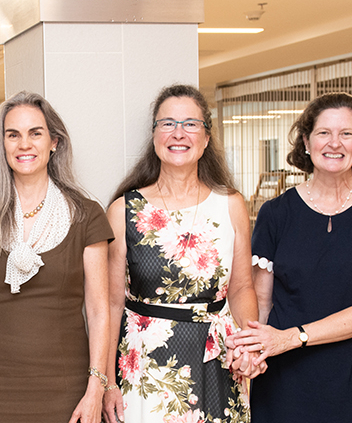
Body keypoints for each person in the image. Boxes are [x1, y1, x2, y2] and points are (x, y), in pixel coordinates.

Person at [226, 92, 352, 423]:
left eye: (347, 134)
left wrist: (291, 337)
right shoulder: (275, 213)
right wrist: (253, 351)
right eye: (324, 133)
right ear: (306, 141)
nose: (335, 143)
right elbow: (262, 304)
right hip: (284, 377)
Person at [0, 92, 113, 423]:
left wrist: (96, 389)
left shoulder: (86, 215)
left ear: (53, 142)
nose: (24, 144)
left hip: (67, 391)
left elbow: (98, 311)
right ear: (1, 145)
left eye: (35, 133)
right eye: (13, 135)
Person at [101, 84, 259, 423]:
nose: (178, 133)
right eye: (167, 123)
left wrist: (248, 347)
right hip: (144, 367)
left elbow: (243, 287)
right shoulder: (123, 210)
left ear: (205, 138)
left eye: (191, 124)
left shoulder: (231, 205)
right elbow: (112, 303)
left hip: (216, 359)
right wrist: (107, 381)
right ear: (154, 135)